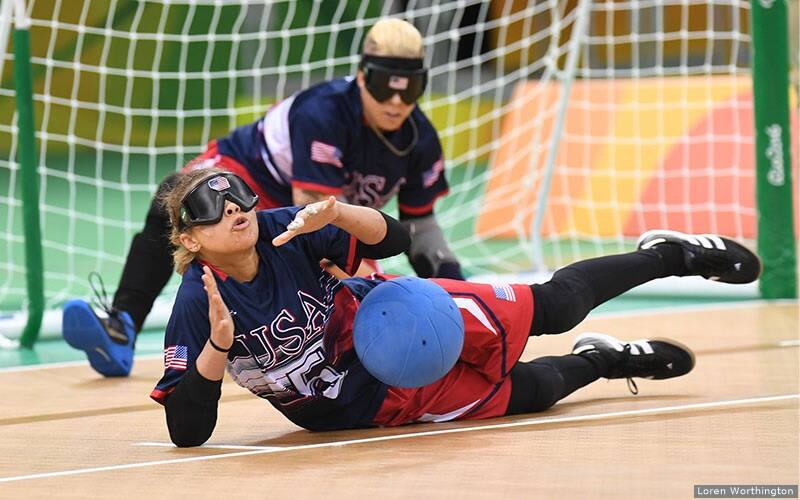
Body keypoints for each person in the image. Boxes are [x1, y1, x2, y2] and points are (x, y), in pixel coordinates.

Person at [149, 169, 760, 447]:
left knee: (552, 307)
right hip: (365, 408)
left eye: (238, 196)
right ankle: (603, 362)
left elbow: (396, 241)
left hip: (397, 318)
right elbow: (188, 433)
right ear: (190, 238)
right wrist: (218, 348)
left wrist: (338, 213)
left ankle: (670, 256)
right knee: (528, 394)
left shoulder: (290, 229)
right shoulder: (198, 308)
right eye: (213, 206)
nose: (235, 210)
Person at [62, 18, 465, 377]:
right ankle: (122, 325)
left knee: (367, 279)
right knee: (174, 199)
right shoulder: (323, 114)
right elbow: (317, 217)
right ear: (362, 77)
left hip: (308, 202)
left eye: (410, 89)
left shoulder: (422, 139)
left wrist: (455, 293)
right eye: (383, 87)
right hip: (246, 175)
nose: (396, 102)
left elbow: (421, 224)